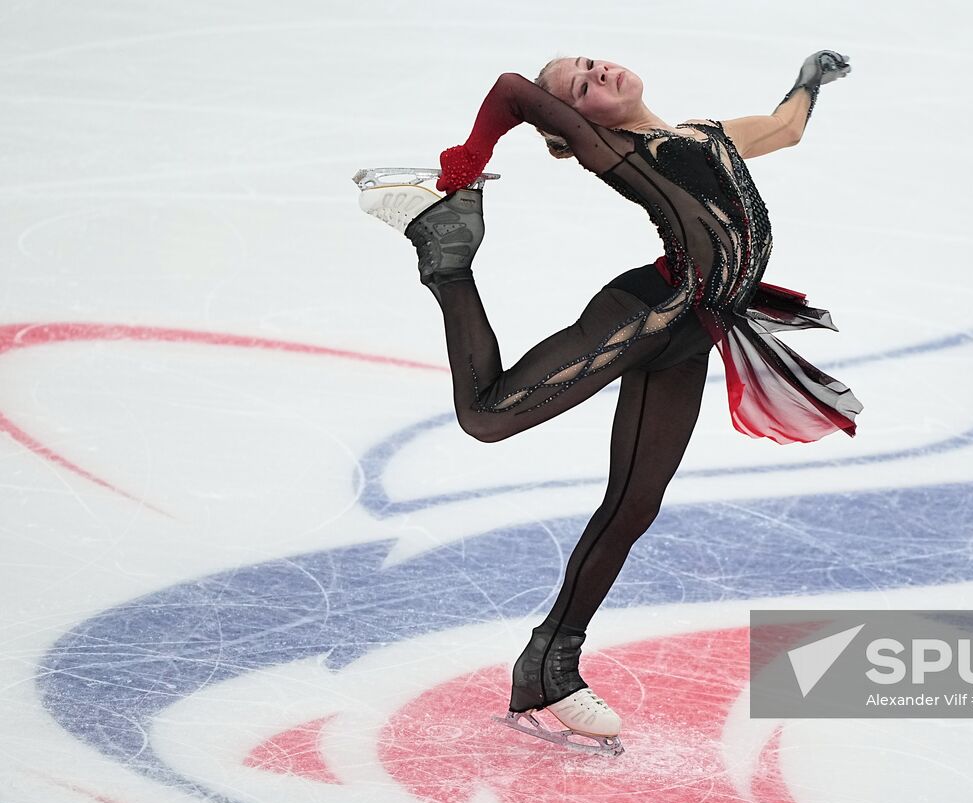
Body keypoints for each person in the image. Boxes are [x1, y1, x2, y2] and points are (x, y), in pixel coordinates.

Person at [353, 50, 860, 756]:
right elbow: (509, 91)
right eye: (578, 89)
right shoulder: (617, 151)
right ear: (573, 129)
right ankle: (447, 258)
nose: (596, 78)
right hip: (646, 313)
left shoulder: (707, 134)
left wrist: (809, 78)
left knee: (634, 504)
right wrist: (468, 160)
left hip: (694, 333)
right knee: (488, 416)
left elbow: (785, 128)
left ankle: (549, 664)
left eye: (592, 65)